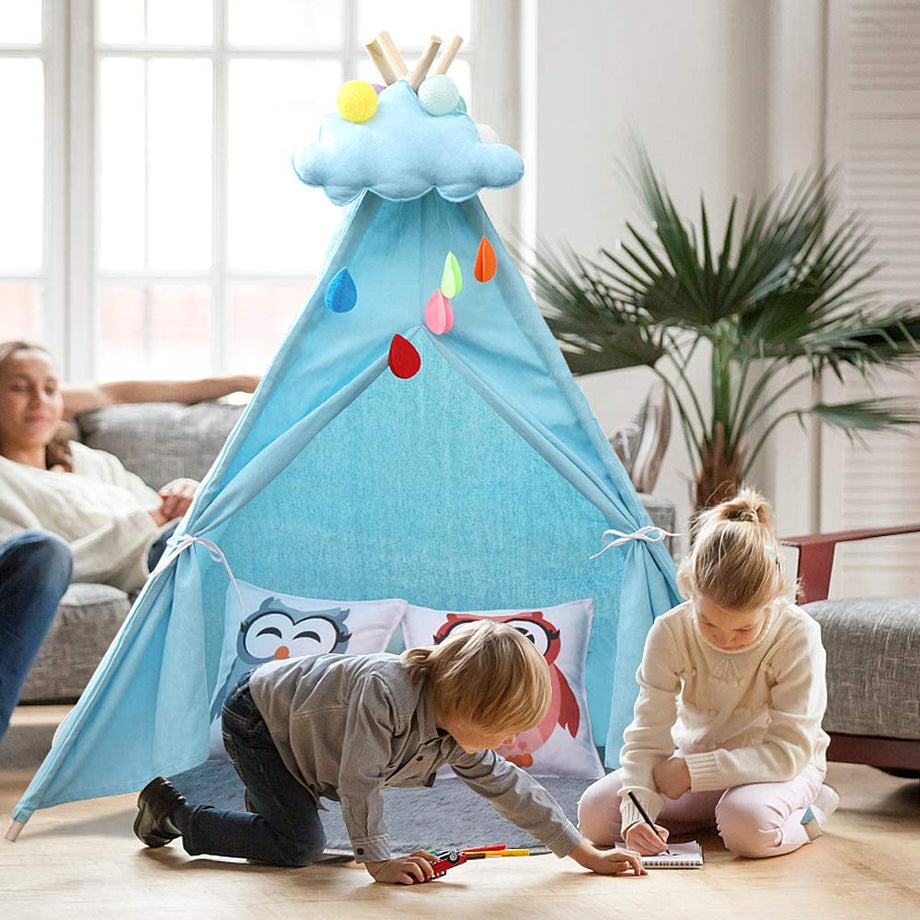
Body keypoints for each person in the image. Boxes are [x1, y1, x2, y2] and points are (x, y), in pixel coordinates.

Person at [133, 620, 646, 883]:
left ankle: (269, 807)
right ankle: (174, 814)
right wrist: (377, 859)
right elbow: (360, 780)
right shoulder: (387, 692)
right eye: (502, 732)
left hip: (308, 735)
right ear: (466, 709)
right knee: (299, 848)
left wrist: (586, 853)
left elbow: (512, 789)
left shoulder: (455, 731)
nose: (508, 746)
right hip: (261, 720)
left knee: (290, 826)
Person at [0, 339, 259, 740]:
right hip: (106, 559)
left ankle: (263, 721)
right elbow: (43, 565)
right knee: (48, 551)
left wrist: (183, 498)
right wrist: (150, 520)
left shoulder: (92, 461)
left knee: (214, 534)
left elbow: (160, 512)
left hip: (164, 551)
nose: (40, 399)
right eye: (19, 387)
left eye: (51, 388)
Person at [577, 487, 838, 859]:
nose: (725, 640)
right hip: (697, 763)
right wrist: (638, 815)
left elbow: (788, 752)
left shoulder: (798, 634)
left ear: (775, 599)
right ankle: (714, 815)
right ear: (690, 589)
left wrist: (692, 773)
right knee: (595, 817)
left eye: (744, 630)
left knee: (748, 829)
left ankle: (810, 813)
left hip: (779, 769)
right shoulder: (670, 630)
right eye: (709, 624)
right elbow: (647, 735)